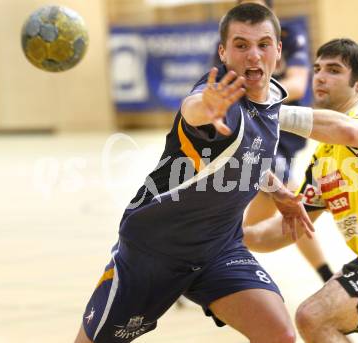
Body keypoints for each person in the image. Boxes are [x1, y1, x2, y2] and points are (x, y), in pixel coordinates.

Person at [74, 4, 315, 343]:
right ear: (223, 52)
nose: (253, 55)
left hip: (219, 249)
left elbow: (247, 157)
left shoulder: (274, 97)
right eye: (241, 45)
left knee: (280, 335)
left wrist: (277, 192)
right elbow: (194, 109)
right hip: (154, 250)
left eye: (263, 44)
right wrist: (206, 107)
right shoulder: (219, 102)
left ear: (278, 48)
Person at [244, 38, 358, 341]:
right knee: (317, 318)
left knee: (314, 316)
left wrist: (268, 113)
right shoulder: (323, 158)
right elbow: (285, 230)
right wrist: (220, 233)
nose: (320, 77)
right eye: (318, 68)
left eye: (334, 70)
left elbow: (349, 131)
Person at [233, 0, 334, 283]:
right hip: (252, 139)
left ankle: (198, 268)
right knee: (291, 199)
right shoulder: (230, 43)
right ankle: (327, 276)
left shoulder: (290, 37)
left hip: (285, 137)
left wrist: (255, 93)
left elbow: (299, 85)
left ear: (272, 13)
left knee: (246, 229)